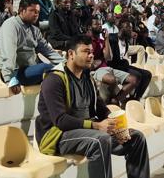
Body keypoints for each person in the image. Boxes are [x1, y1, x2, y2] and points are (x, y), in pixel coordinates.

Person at [35, 35, 149, 178]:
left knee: (136, 138)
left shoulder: (87, 77)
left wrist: (117, 127)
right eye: (86, 51)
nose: (91, 55)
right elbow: (60, 120)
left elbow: (100, 108)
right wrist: (96, 126)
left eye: (92, 52)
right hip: (57, 135)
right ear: (71, 54)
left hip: (86, 131)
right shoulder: (54, 80)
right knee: (100, 140)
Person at [0, 0, 64, 93]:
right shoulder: (11, 25)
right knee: (47, 68)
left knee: (59, 69)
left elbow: (47, 50)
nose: (36, 14)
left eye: (37, 12)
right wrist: (10, 79)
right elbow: (8, 54)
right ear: (21, 10)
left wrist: (65, 64)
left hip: (31, 69)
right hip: (17, 72)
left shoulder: (34, 29)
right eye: (32, 11)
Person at [89, 19, 137, 106]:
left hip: (106, 68)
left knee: (133, 80)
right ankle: (118, 102)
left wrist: (106, 39)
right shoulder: (86, 41)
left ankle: (115, 100)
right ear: (89, 27)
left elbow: (108, 57)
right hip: (96, 71)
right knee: (111, 79)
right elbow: (91, 64)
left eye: (100, 24)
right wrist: (99, 61)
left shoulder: (101, 40)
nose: (100, 25)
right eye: (96, 24)